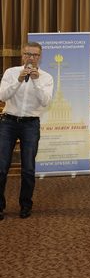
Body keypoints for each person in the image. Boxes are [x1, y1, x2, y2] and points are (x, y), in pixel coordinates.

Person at [0, 42, 54, 220]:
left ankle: (25, 205)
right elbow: (2, 96)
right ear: (22, 55)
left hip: (30, 124)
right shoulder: (11, 72)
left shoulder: (46, 78)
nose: (31, 58)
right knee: (1, 167)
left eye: (35, 55)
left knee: (28, 168)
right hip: (8, 122)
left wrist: (36, 81)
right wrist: (18, 80)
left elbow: (45, 102)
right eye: (28, 54)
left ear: (40, 57)